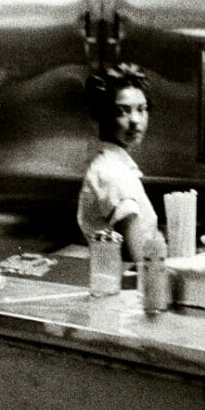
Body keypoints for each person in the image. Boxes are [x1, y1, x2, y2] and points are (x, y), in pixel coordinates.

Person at [77, 62, 158, 262]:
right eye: (123, 111)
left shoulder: (114, 165)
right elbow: (135, 259)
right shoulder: (113, 174)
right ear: (102, 114)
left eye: (142, 109)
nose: (136, 120)